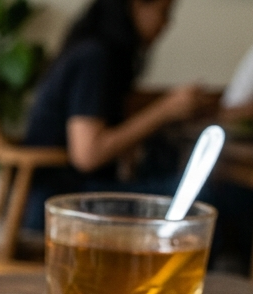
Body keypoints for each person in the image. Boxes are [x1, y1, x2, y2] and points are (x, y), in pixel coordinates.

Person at [20, 0, 203, 229]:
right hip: (61, 202)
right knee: (202, 200)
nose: (167, 23)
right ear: (136, 6)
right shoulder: (94, 57)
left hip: (58, 197)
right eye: (164, 12)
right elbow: (87, 155)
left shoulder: (96, 53)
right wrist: (165, 110)